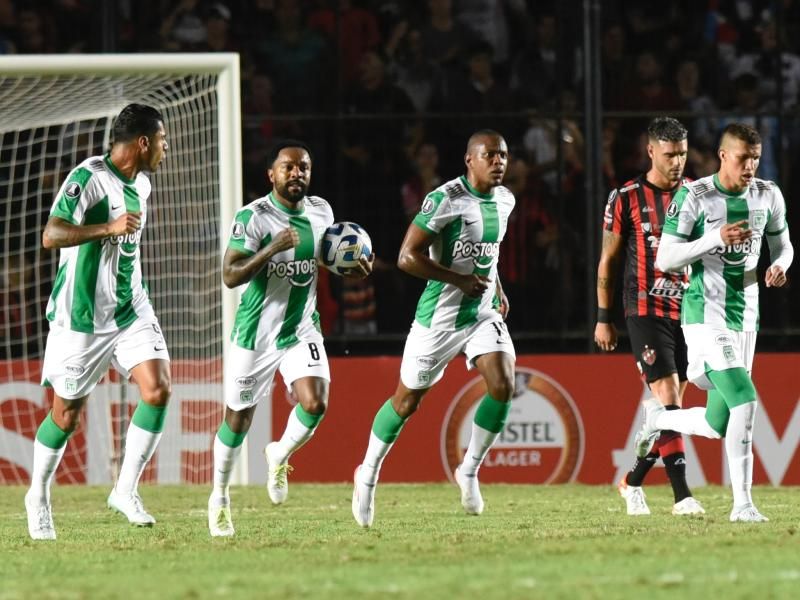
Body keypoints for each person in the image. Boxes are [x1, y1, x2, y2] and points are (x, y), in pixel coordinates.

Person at [351, 129, 516, 528]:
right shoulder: (446, 200)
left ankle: (469, 470)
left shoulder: (506, 200)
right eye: (490, 155)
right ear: (469, 160)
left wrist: (498, 287)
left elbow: (487, 256)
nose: (498, 162)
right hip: (439, 319)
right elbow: (408, 257)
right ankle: (367, 473)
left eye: (503, 156)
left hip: (480, 314)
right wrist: (457, 280)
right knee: (406, 402)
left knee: (503, 383)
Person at [208, 140, 372, 537]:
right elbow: (230, 275)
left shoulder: (322, 212)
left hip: (301, 329)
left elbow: (323, 259)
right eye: (289, 168)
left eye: (304, 167)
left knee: (315, 403)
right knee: (238, 419)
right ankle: (219, 498)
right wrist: (270, 249)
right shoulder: (253, 218)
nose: (297, 173)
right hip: (255, 335)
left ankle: (279, 453)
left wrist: (351, 268)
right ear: (272, 174)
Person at [25, 104, 171, 540]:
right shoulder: (87, 178)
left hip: (129, 308)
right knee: (66, 415)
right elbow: (51, 235)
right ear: (143, 142)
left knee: (158, 388)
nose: (166, 148)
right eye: (162, 140)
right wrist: (107, 228)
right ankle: (38, 494)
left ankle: (125, 491)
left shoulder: (141, 184)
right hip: (82, 319)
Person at [638, 122, 794, 522]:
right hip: (704, 314)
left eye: (755, 159)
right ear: (724, 155)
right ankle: (742, 504)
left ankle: (659, 418)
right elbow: (666, 259)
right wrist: (714, 239)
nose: (750, 167)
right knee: (744, 395)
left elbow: (784, 244)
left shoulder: (768, 194)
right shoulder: (695, 196)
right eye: (743, 158)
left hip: (747, 316)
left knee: (716, 423)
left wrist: (778, 264)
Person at [595, 117, 705, 517]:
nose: (677, 161)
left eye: (682, 153)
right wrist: (604, 317)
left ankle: (631, 481)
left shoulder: (697, 193)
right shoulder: (624, 197)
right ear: (651, 151)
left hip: (690, 309)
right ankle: (682, 496)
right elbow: (608, 259)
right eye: (670, 154)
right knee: (670, 397)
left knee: (673, 407)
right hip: (643, 308)